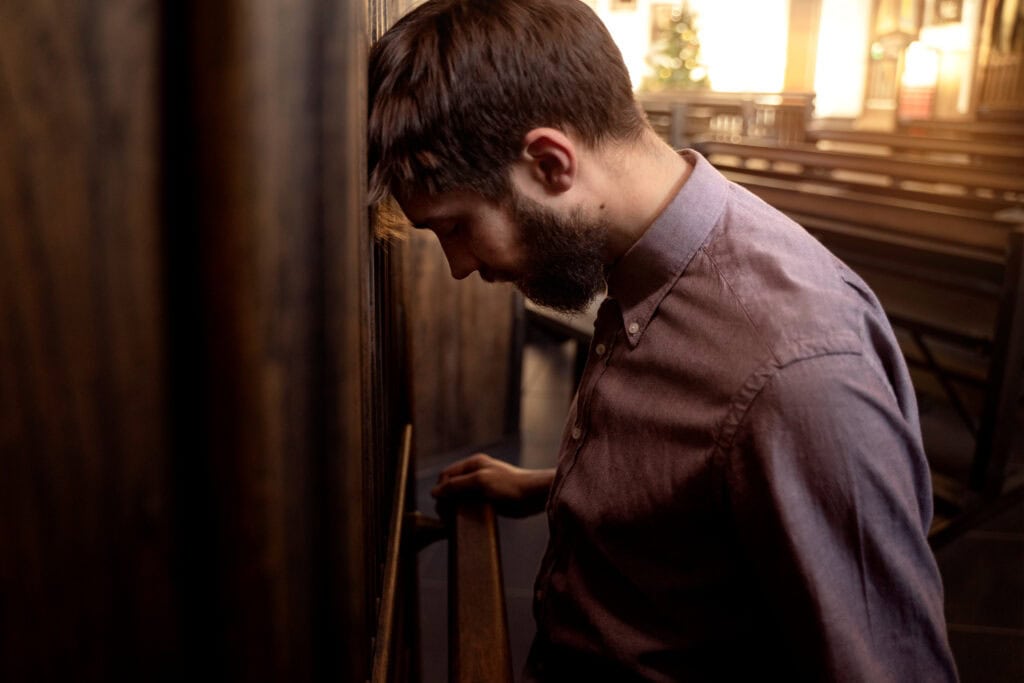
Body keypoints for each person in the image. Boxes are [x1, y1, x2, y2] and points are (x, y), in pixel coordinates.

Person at [368, 0, 959, 680]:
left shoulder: (800, 369)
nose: (460, 264)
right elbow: (711, 465)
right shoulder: (638, 251)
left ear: (551, 164)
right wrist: (554, 485)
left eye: (457, 226)